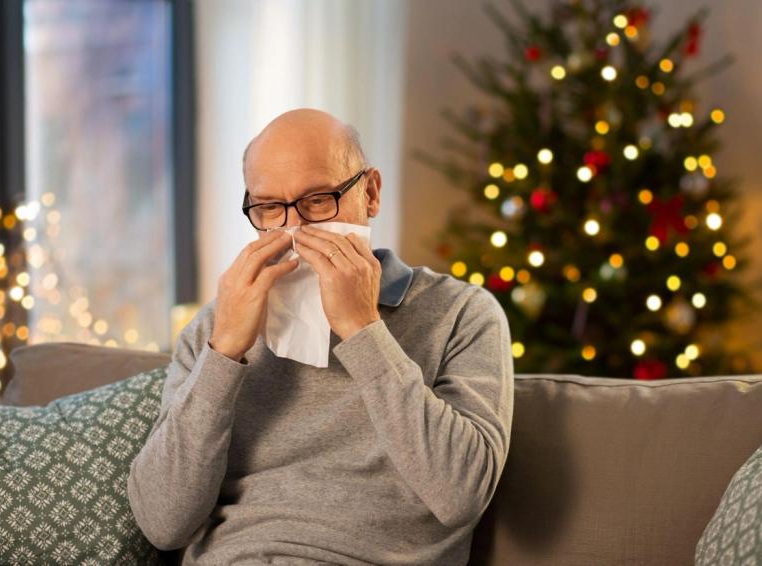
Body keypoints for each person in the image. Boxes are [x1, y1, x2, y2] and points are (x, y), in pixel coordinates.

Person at [127, 108, 514, 565]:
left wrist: (364, 330)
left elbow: (460, 495)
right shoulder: (218, 328)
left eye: (317, 200)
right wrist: (224, 351)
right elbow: (162, 524)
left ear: (369, 193)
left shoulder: (461, 314)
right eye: (270, 207)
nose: (295, 228)